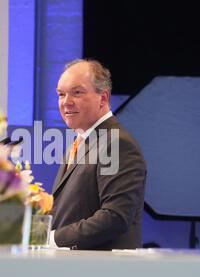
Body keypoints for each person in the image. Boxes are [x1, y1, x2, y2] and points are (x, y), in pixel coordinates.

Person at [49, 58, 147, 250]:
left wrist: (52, 240)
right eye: (61, 94)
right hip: (73, 269)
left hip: (101, 272)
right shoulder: (79, 142)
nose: (66, 102)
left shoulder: (117, 143)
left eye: (77, 93)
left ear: (103, 98)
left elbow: (115, 217)